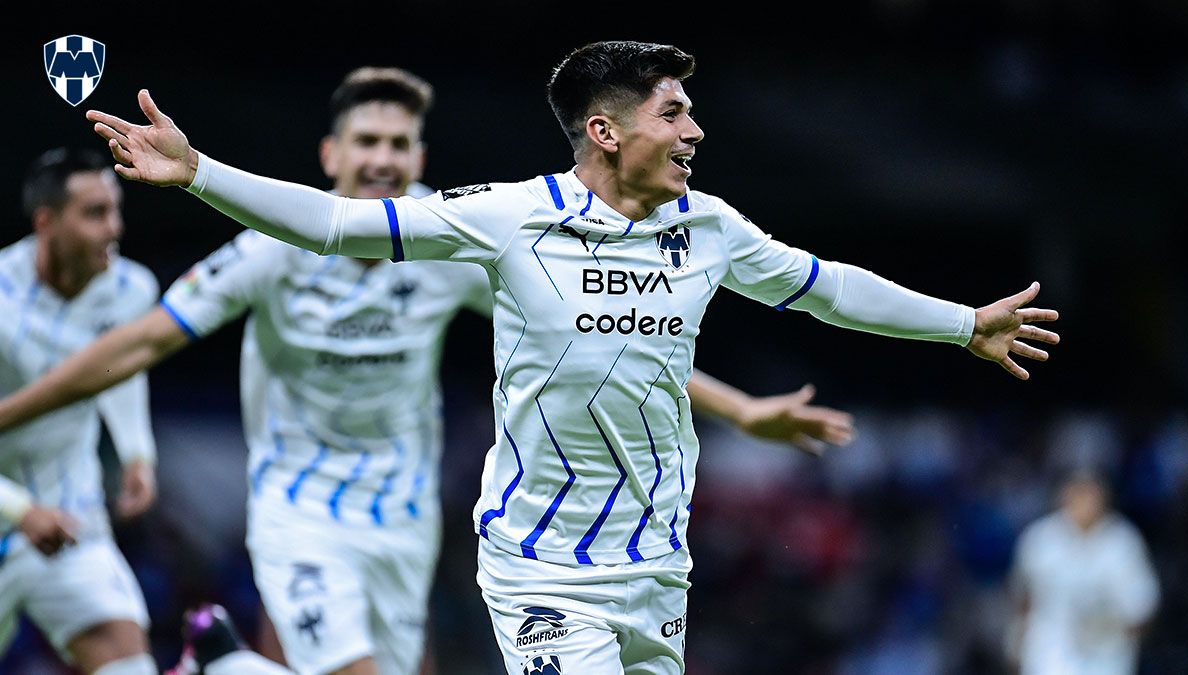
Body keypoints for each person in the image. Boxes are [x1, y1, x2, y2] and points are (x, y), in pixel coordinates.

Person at [82, 39, 1057, 674]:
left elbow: (828, 285)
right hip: (544, 567)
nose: (695, 132)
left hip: (658, 566)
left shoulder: (707, 228)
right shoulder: (511, 220)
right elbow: (338, 224)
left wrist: (961, 323)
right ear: (607, 130)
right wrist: (198, 173)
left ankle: (231, 664)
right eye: (673, 114)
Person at [0, 148, 159, 675]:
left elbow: (120, 365)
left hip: (70, 514)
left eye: (115, 209)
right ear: (46, 222)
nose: (114, 228)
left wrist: (137, 451)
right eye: (94, 213)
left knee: (129, 665)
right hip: (13, 508)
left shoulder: (132, 288)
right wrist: (20, 512)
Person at [1007, 468, 1160, 675]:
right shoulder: (1040, 539)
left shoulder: (1123, 543)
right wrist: (1016, 646)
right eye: (1078, 493)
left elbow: (1143, 607)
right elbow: (1023, 599)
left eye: (1090, 494)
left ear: (1104, 497)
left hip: (1104, 659)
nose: (1084, 502)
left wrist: (1112, 628)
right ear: (1064, 496)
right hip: (1047, 655)